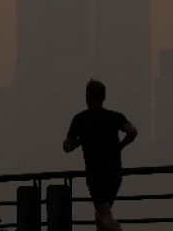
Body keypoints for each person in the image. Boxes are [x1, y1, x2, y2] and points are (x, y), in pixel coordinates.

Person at [63, 79, 138, 231]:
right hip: (115, 172)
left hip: (95, 173)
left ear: (88, 96)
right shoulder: (115, 116)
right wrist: (120, 147)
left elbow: (67, 146)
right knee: (100, 214)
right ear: (103, 97)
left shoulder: (80, 119)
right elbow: (132, 131)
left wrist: (81, 140)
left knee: (104, 214)